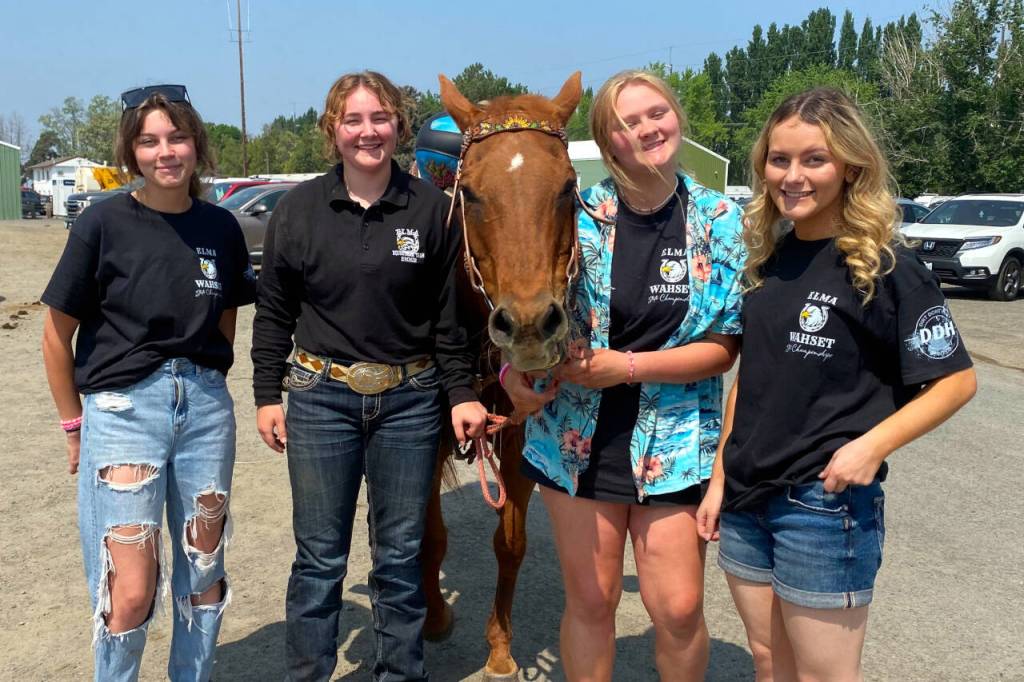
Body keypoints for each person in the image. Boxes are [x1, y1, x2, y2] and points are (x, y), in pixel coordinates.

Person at [696, 88, 977, 681]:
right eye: (779, 159)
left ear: (850, 167)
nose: (792, 176)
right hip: (747, 497)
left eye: (813, 160)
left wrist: (869, 447)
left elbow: (956, 382)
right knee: (769, 662)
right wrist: (721, 478)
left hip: (822, 507)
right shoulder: (769, 260)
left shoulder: (885, 265)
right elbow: (755, 377)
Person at [501, 69, 746, 681]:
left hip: (677, 439)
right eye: (626, 122)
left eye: (655, 113)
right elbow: (528, 309)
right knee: (590, 600)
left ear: (677, 119)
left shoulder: (718, 220)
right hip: (577, 438)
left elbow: (723, 345)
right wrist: (512, 372)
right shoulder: (577, 216)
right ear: (607, 142)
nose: (646, 129)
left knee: (680, 608)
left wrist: (626, 367)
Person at [250, 71, 488, 682]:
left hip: (410, 402)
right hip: (319, 397)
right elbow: (274, 311)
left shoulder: (432, 211)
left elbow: (448, 322)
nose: (367, 132)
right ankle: (308, 673)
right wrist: (266, 395)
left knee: (401, 557)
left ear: (398, 126)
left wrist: (461, 393)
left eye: (379, 118)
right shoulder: (298, 209)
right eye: (353, 120)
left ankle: (399, 674)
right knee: (320, 558)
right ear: (333, 129)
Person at [41, 84, 257, 681]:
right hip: (125, 411)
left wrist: (201, 382)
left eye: (177, 137)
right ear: (132, 152)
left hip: (206, 411)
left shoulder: (222, 227)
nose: (166, 152)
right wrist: (73, 426)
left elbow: (224, 319)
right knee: (130, 589)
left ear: (196, 145)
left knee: (204, 570)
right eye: (149, 140)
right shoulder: (101, 222)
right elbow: (57, 334)